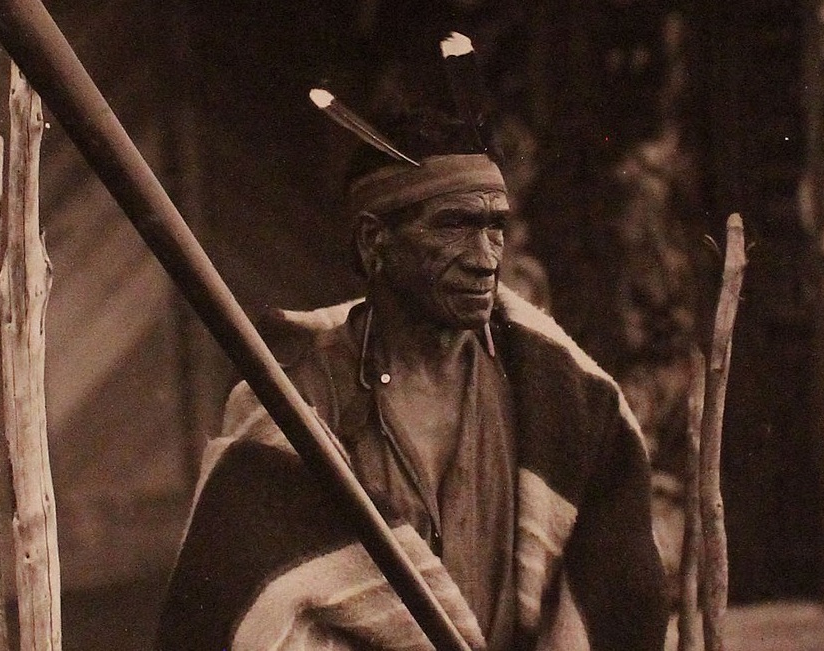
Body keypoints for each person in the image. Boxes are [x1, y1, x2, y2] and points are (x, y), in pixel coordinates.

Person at [156, 108, 668, 651]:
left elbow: (613, 602)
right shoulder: (299, 401)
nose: (486, 258)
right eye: (455, 225)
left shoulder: (557, 397)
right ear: (376, 242)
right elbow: (243, 617)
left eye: (496, 226)